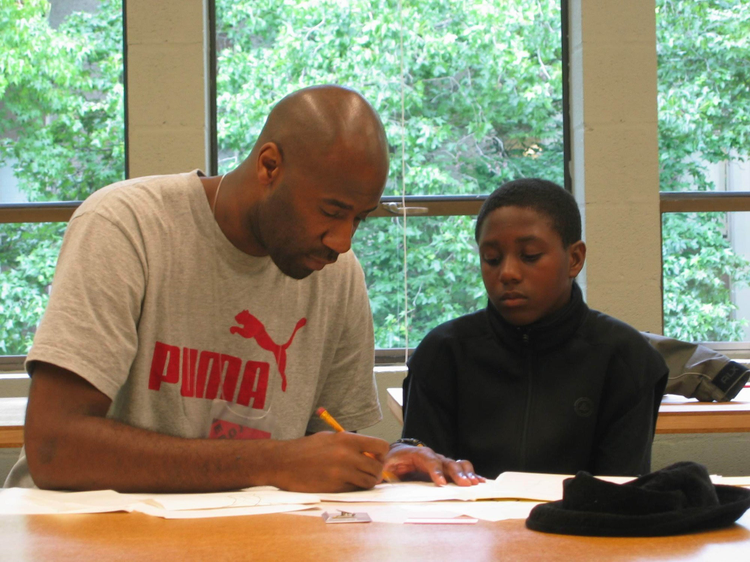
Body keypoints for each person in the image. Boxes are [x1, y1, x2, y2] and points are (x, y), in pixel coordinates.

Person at [6, 85, 481, 493]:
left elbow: (320, 456)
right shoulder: (127, 226)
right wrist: (273, 463)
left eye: (359, 218)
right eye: (333, 212)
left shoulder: (337, 274)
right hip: (90, 537)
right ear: (269, 166)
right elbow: (56, 449)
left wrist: (383, 458)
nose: (342, 241)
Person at [401, 178, 669, 479]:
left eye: (530, 256)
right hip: (467, 524)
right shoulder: (442, 353)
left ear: (575, 259)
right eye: (491, 259)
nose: (508, 273)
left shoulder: (626, 358)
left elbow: (619, 490)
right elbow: (421, 487)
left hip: (582, 524)